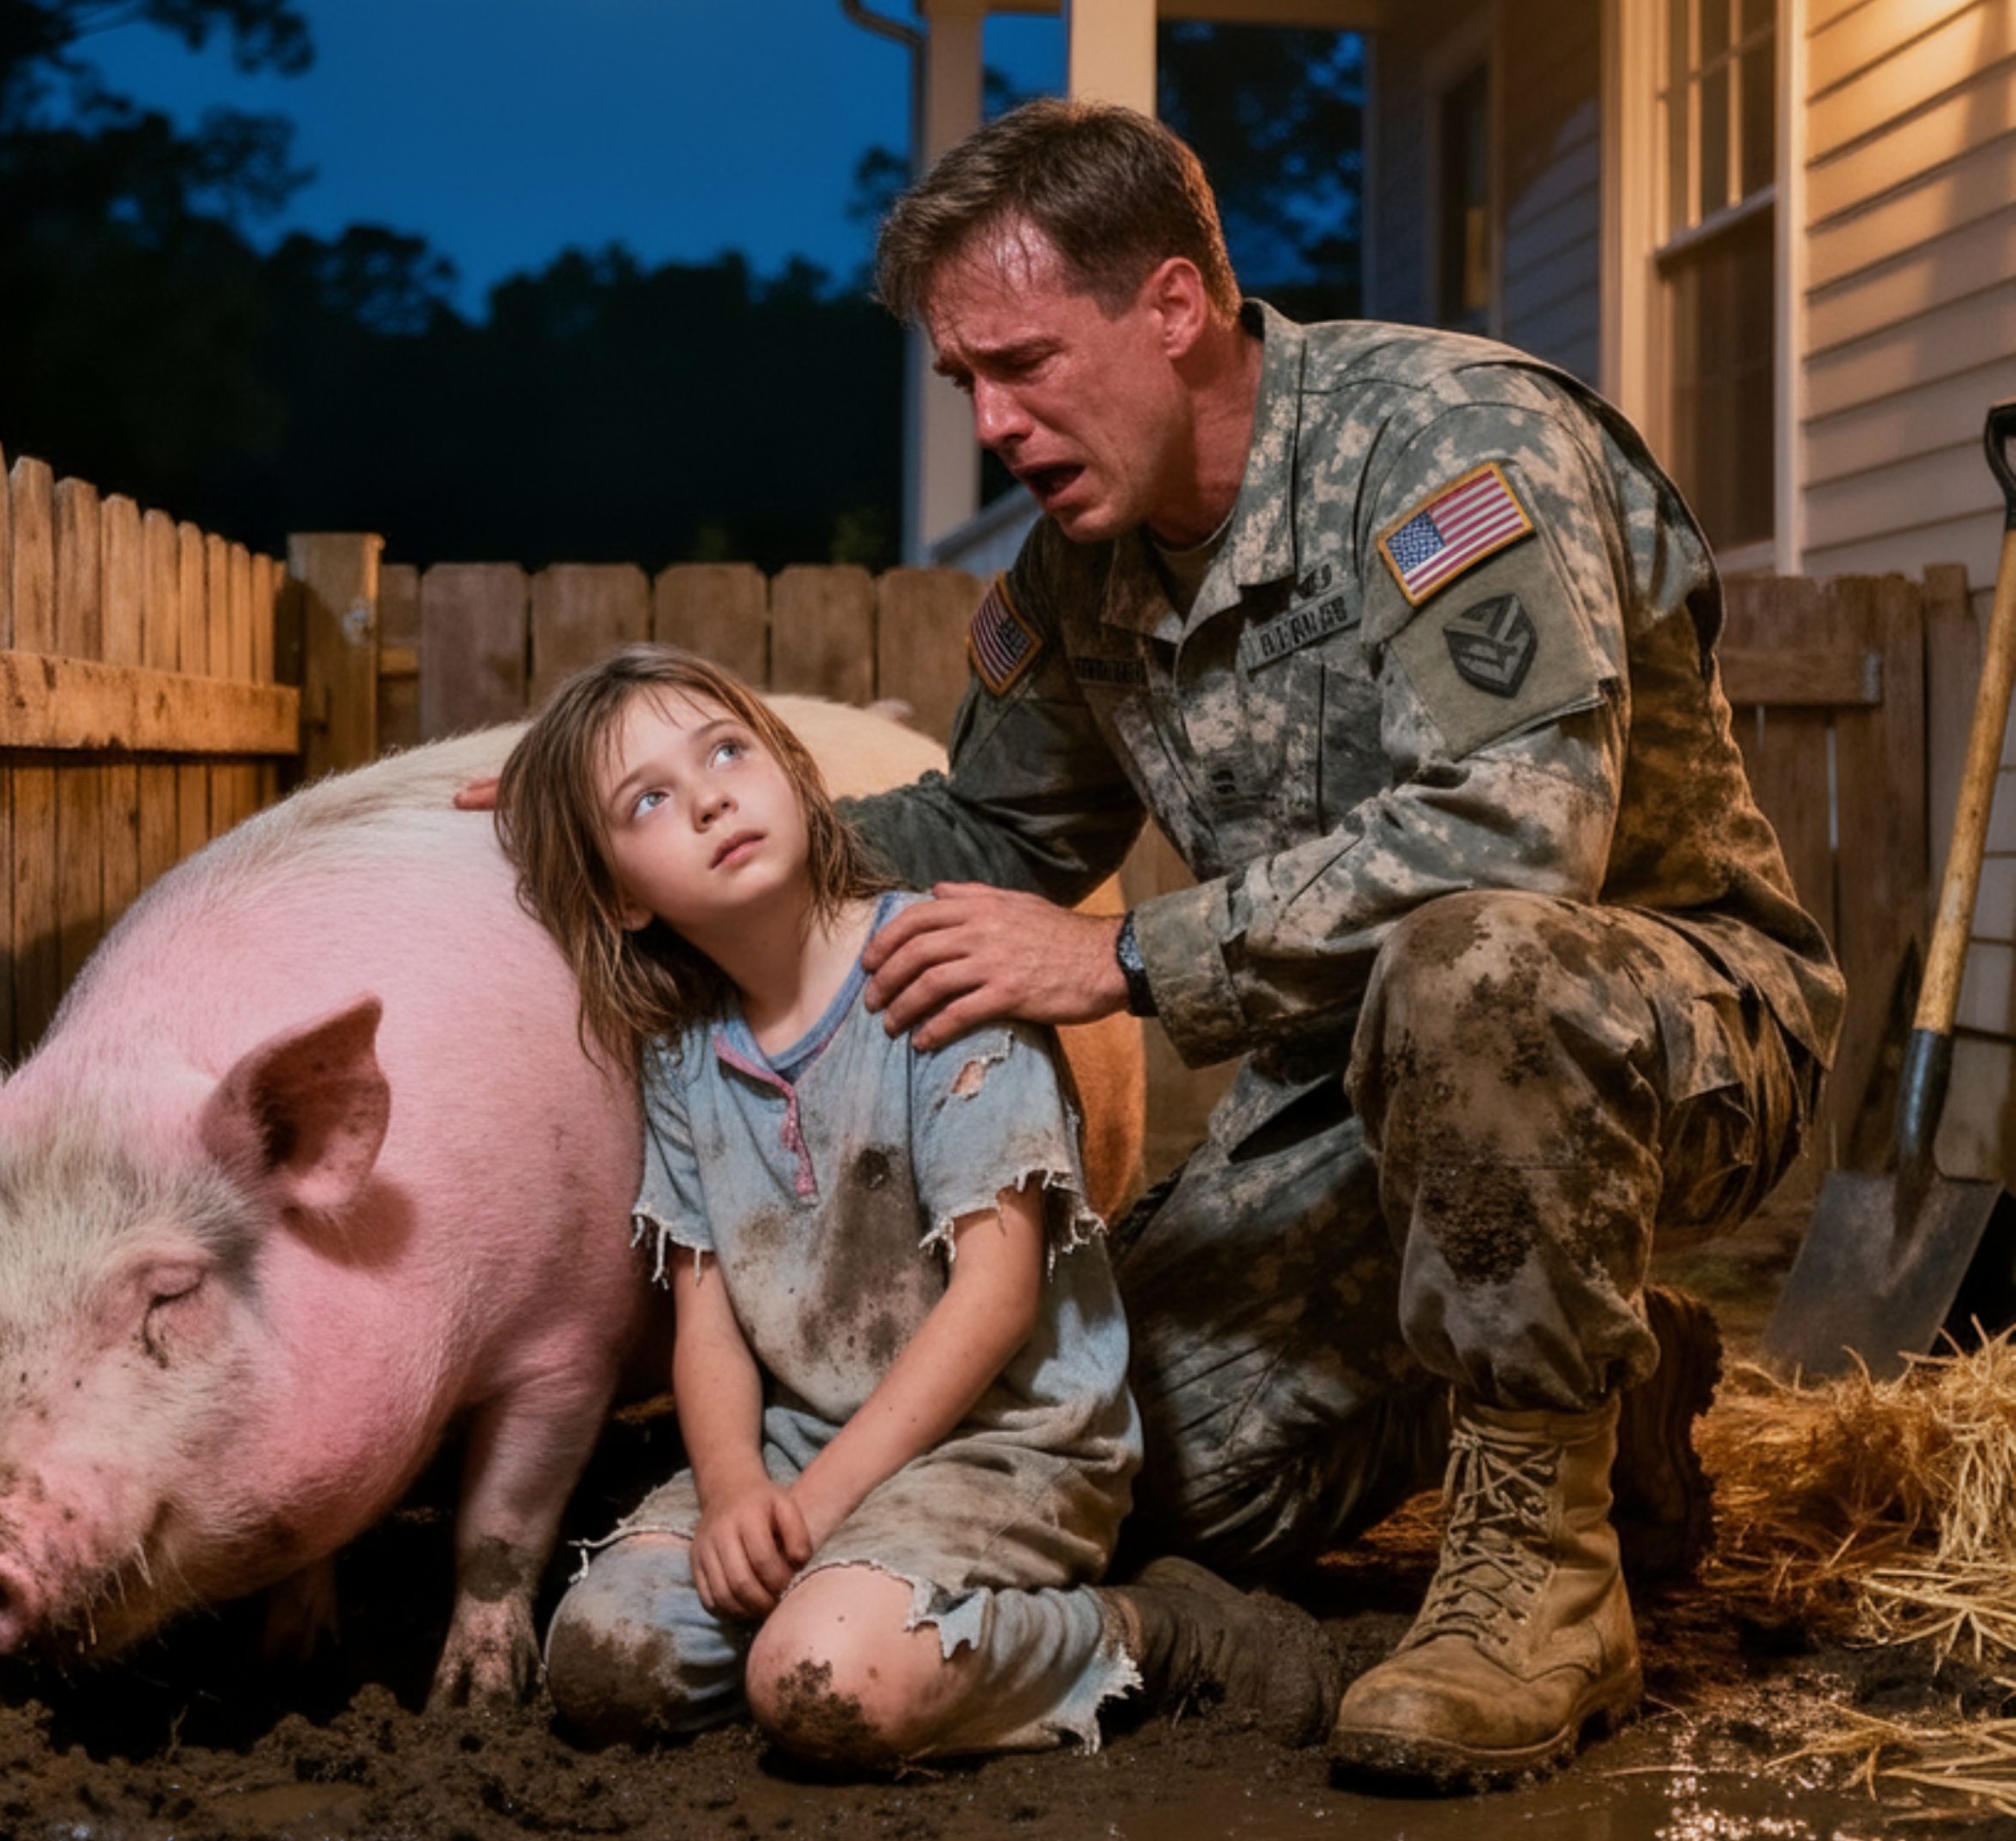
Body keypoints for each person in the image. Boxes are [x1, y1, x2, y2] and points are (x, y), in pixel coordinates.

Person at [843, 98, 1845, 1788]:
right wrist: (680, 832)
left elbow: (1511, 834)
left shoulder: (1448, 446)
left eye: (1020, 362)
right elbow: (994, 841)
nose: (993, 424)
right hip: (1355, 1088)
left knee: (1476, 962)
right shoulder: (1082, 569)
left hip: (1650, 1022)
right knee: (1118, 1465)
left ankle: (1540, 1575)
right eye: (963, 386)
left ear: (1171, 305)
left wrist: (1122, 963)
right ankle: (1615, 1367)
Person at [493, 644, 1337, 1767]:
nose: (708, 800)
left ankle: (1156, 1630)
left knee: (818, 1683)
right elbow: (706, 1325)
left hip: (1009, 1443)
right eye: (648, 799)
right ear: (617, 895)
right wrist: (740, 1488)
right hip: (802, 1448)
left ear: (794, 772)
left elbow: (994, 1300)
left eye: (727, 752)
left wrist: (825, 1503)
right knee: (603, 1660)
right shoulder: (684, 1053)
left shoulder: (939, 972)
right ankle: (876, 1621)